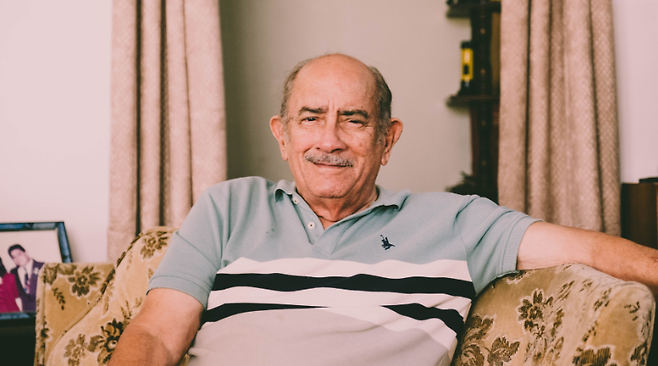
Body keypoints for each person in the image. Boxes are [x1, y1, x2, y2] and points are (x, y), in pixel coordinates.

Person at [109, 54, 658, 366]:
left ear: (386, 139)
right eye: (310, 118)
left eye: (353, 119)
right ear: (282, 135)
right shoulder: (228, 206)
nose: (329, 139)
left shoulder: (456, 222)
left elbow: (589, 249)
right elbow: (156, 336)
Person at [8, 244, 44, 312]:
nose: (17, 259)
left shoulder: (43, 267)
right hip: (27, 313)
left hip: (45, 311)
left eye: (19, 254)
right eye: (13, 257)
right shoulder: (13, 273)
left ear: (26, 253)